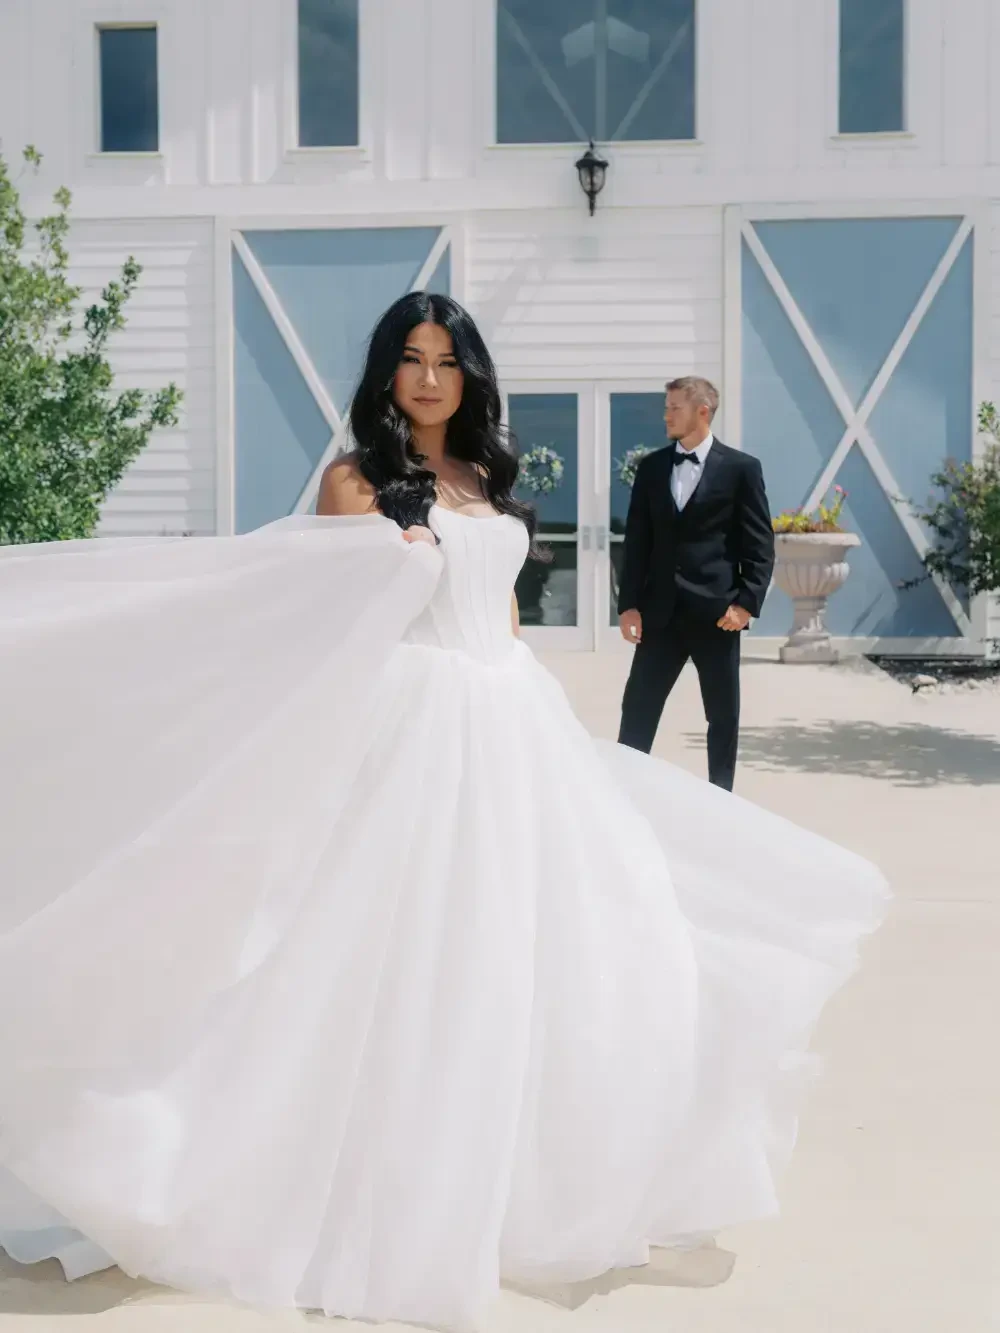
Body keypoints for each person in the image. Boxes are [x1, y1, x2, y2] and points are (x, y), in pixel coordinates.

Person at [0, 294, 887, 1333]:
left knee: (573, 938)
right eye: (410, 360)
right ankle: (356, 1181)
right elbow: (324, 618)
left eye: (446, 360)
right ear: (386, 374)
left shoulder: (486, 476)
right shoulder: (354, 480)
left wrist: (518, 684)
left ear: (470, 374)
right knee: (380, 957)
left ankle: (521, 1170)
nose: (428, 378)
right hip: (409, 723)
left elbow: (502, 611)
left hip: (510, 717)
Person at [617, 377, 774, 791]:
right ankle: (623, 792)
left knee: (723, 717)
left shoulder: (743, 469)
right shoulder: (651, 468)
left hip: (717, 617)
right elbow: (637, 541)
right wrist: (628, 604)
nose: (666, 415)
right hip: (660, 616)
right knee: (637, 710)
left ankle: (721, 798)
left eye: (674, 408)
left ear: (702, 411)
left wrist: (746, 604)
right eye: (667, 407)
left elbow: (759, 545)